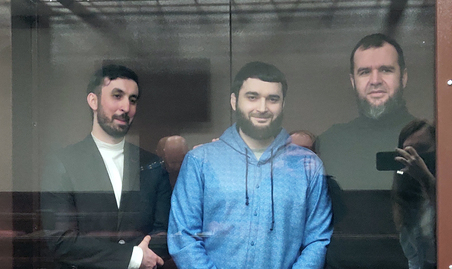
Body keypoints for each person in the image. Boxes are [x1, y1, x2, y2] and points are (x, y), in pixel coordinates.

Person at [168, 61, 333, 268]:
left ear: (283, 104)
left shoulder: (307, 165)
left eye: (272, 99)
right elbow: (184, 236)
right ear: (234, 101)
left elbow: (317, 239)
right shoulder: (200, 161)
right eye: (252, 97)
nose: (262, 108)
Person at [41, 64, 171, 269]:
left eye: (133, 100)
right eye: (117, 96)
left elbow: (165, 233)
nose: (126, 107)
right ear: (93, 101)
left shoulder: (152, 164)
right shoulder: (63, 162)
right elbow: (61, 240)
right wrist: (134, 258)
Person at [319, 33, 415, 268]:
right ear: (353, 81)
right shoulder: (330, 142)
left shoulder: (429, 141)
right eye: (364, 72)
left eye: (385, 70)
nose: (375, 80)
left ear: (403, 77)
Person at [392, 119, 452, 269]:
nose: (414, 158)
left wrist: (425, 177)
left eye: (421, 149)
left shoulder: (451, 183)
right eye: (409, 152)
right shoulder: (403, 194)